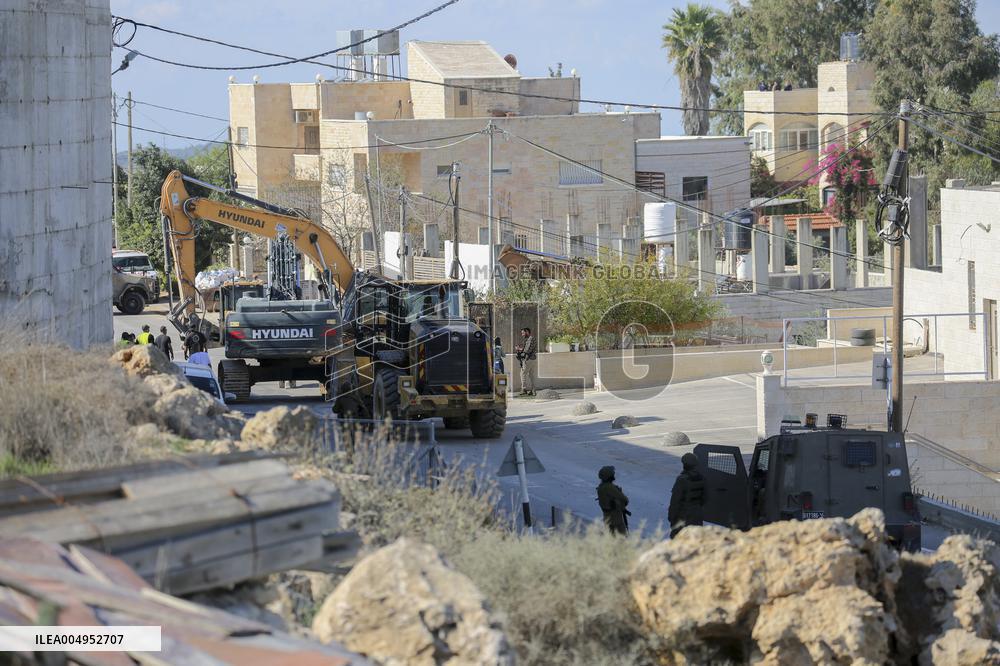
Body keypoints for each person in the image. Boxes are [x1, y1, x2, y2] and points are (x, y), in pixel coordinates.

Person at [668, 453, 707, 538]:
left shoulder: (682, 480)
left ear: (685, 464)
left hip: (683, 516)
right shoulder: (702, 478)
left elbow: (675, 502)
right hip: (697, 515)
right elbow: (705, 498)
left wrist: (671, 517)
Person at [596, 466, 630, 535]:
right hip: (615, 518)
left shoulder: (601, 487)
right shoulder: (609, 487)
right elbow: (625, 499)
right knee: (621, 538)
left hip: (607, 517)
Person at [515, 327, 536, 396]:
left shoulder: (530, 339)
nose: (522, 335)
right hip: (532, 359)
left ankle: (524, 389)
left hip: (528, 359)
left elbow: (527, 350)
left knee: (522, 373)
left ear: (527, 332)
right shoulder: (530, 339)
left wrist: (519, 349)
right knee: (531, 375)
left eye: (523, 333)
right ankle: (533, 390)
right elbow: (528, 349)